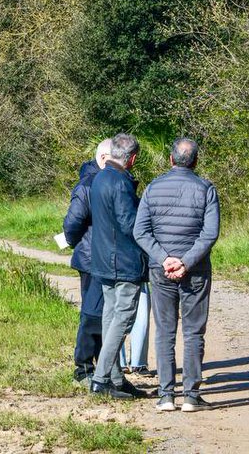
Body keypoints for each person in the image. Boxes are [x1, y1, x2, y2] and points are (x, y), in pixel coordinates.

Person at [133, 137, 220, 413]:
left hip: (161, 270)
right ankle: (191, 396)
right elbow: (210, 233)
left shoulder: (153, 188)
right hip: (195, 271)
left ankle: (165, 395)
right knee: (194, 332)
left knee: (165, 332)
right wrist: (186, 262)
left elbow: (141, 232)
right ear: (195, 161)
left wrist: (164, 258)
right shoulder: (206, 189)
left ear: (171, 159)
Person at [88, 133, 150, 399]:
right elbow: (128, 224)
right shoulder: (120, 183)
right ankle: (101, 378)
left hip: (103, 259)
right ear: (133, 158)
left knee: (110, 317)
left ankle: (115, 377)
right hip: (123, 261)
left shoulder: (99, 177)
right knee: (122, 319)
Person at [63, 138, 113, 384]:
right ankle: (83, 368)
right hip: (91, 258)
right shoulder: (87, 185)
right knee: (91, 314)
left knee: (105, 313)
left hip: (105, 257)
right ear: (103, 158)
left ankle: (102, 367)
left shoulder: (105, 180)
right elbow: (72, 223)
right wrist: (76, 244)